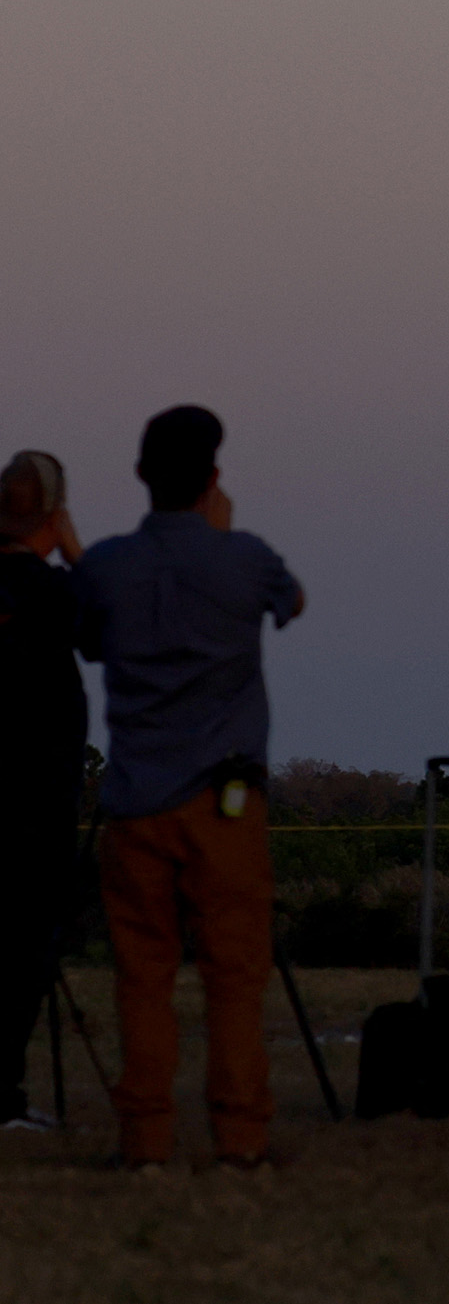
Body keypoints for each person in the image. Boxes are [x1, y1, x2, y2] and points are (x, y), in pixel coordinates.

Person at [70, 407, 307, 1172]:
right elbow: (292, 602)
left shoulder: (104, 565)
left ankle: (144, 1141)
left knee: (143, 978)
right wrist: (222, 532)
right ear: (213, 477)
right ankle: (239, 1138)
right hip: (225, 803)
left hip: (135, 799)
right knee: (234, 977)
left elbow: (88, 637)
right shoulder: (246, 558)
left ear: (141, 475)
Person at [1, 454, 89, 1134]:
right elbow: (104, 634)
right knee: (25, 942)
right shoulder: (52, 590)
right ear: (52, 515)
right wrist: (76, 556)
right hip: (33, 801)